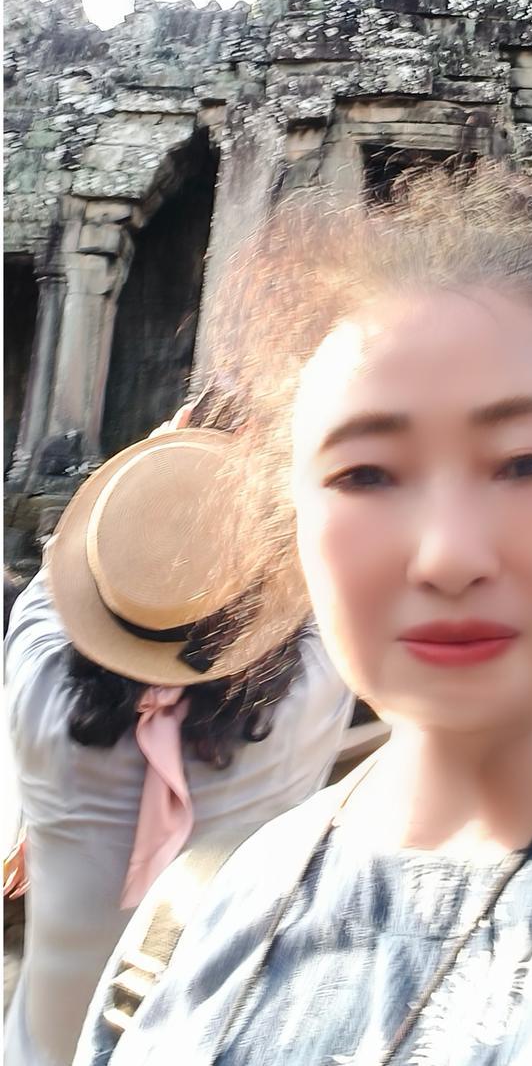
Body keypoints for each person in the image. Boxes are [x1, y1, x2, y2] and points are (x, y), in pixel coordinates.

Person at [75, 166, 532, 1066]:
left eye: (529, 462)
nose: (449, 555)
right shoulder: (193, 914)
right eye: (366, 472)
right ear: (288, 520)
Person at [4, 424, 354, 1066]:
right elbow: (335, 580)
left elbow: (57, 577)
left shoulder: (36, 689)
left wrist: (153, 475)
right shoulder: (309, 698)